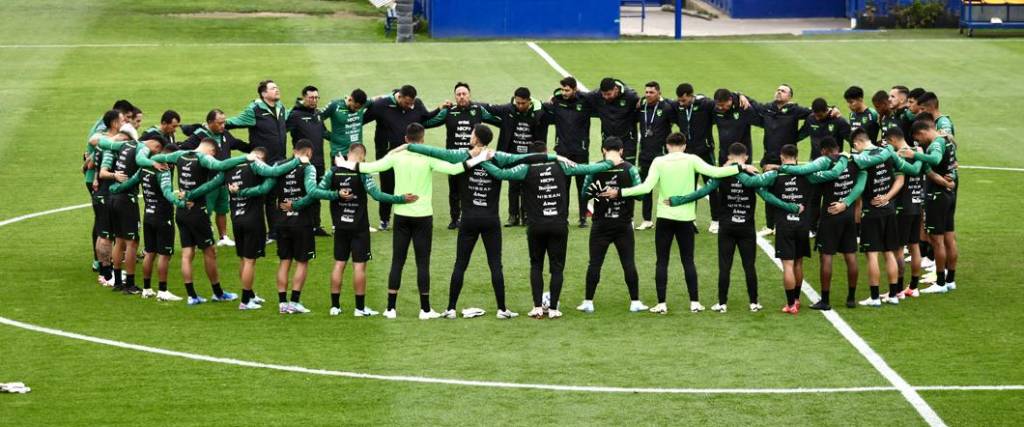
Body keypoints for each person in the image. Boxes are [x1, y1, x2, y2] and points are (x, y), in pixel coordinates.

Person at [406, 124, 559, 319]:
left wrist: (408, 146)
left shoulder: (463, 155)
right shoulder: (498, 156)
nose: (470, 136)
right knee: (495, 265)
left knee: (460, 264)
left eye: (472, 134)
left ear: (476, 138)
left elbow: (435, 152)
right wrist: (554, 157)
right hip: (491, 220)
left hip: (468, 219)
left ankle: (451, 308)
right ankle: (502, 309)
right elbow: (525, 158)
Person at [338, 123, 478, 320]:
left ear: (405, 139)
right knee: (422, 263)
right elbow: (455, 170)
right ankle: (425, 310)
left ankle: (390, 308)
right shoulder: (428, 157)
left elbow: (372, 166)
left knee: (398, 261)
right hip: (423, 217)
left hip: (401, 215)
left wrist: (346, 164)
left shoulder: (396, 157)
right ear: (422, 140)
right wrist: (478, 158)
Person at [603, 132, 746, 314]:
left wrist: (620, 192)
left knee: (662, 261)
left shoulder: (659, 161)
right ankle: (694, 303)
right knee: (688, 261)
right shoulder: (692, 159)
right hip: (686, 219)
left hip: (664, 218)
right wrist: (740, 168)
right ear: (684, 145)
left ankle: (661, 304)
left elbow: (646, 187)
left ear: (667, 145)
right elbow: (715, 172)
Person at [481, 142, 616, 319]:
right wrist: (609, 163)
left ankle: (537, 307)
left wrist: (481, 161)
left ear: (532, 155)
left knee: (536, 265)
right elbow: (587, 168)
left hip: (536, 226)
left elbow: (500, 174)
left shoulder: (525, 167)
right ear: (546, 153)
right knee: (557, 268)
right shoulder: (561, 164)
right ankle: (553, 309)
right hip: (558, 225)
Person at [666, 142, 802, 313]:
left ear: (729, 157)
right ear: (745, 157)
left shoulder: (722, 174)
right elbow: (767, 197)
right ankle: (754, 303)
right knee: (749, 265)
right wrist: (792, 207)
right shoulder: (752, 174)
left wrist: (678, 200)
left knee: (725, 266)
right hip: (746, 227)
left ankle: (722, 303)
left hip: (727, 227)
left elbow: (701, 192)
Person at [316, 143, 414, 317]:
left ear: (348, 154)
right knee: (359, 267)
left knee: (339, 264)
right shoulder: (362, 172)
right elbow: (377, 195)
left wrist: (336, 195)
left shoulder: (333, 171)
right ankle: (359, 309)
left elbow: (317, 191)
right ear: (361, 156)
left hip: (339, 225)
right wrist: (400, 199)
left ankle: (335, 307)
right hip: (359, 227)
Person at [151, 139, 253, 306]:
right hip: (198, 212)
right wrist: (245, 158)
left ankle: (192, 296)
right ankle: (218, 293)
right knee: (210, 252)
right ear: (211, 151)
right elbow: (221, 166)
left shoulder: (180, 155)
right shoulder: (203, 158)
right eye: (214, 154)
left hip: (182, 211)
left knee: (187, 254)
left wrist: (154, 163)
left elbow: (160, 158)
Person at [777, 137, 861, 310]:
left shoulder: (826, 164)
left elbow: (813, 193)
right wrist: (847, 204)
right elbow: (859, 187)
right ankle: (851, 298)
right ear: (838, 147)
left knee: (826, 257)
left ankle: (825, 300)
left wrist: (812, 222)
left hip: (830, 214)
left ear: (823, 152)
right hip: (849, 214)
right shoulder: (853, 163)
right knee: (851, 256)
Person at [578, 137, 648, 313]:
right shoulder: (630, 169)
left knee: (594, 264)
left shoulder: (595, 168)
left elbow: (584, 195)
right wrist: (621, 193)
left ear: (603, 150)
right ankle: (635, 302)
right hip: (623, 224)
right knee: (628, 264)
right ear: (622, 150)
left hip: (600, 224)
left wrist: (598, 192)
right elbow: (640, 194)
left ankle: (588, 301)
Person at [269, 139, 337, 314]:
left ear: (293, 151)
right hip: (302, 222)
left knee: (285, 261)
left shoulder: (280, 166)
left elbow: (268, 188)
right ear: (310, 153)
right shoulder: (308, 168)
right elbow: (312, 192)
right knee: (302, 262)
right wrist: (335, 194)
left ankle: (282, 303)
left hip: (282, 220)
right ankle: (295, 302)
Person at [365, 84, 445, 230]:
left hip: (410, 155)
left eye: (412, 103)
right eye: (407, 103)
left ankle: (411, 216)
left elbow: (426, 117)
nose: (409, 106)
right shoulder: (381, 105)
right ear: (399, 96)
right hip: (387, 154)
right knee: (387, 187)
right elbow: (362, 118)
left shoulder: (417, 105)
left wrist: (439, 109)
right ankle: (384, 220)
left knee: (410, 185)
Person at [426, 82, 500, 229]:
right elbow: (428, 122)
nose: (461, 97)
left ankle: (470, 217)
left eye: (464, 94)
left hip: (474, 157)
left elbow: (498, 121)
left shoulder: (478, 110)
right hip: (454, 158)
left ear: (469, 94)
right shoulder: (448, 111)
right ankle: (454, 219)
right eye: (458, 94)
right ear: (455, 96)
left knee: (473, 187)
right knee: (454, 190)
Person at [900, 119, 959, 294]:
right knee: (949, 238)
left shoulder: (936, 144)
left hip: (937, 196)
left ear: (923, 132)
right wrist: (950, 179)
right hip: (948, 194)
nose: (920, 142)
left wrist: (915, 155)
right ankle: (950, 280)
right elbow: (953, 165)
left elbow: (935, 158)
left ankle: (940, 283)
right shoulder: (947, 140)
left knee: (937, 241)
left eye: (919, 138)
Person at [182, 109, 253, 247]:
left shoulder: (224, 134)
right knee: (205, 211)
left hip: (224, 180)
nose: (223, 126)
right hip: (207, 181)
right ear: (209, 122)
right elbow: (185, 150)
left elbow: (238, 144)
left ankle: (223, 237)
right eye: (219, 123)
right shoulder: (199, 136)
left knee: (222, 209)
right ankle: (198, 239)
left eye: (224, 123)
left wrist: (254, 149)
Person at [488, 87, 548, 227]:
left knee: (528, 186)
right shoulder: (509, 110)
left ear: (529, 101)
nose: (520, 105)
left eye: (523, 103)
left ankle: (527, 215)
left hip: (529, 156)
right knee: (513, 186)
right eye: (517, 102)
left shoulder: (538, 113)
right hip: (512, 156)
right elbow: (489, 108)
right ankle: (512, 216)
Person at [668, 83, 718, 232]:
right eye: (679, 101)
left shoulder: (705, 104)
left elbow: (721, 103)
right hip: (687, 153)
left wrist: (739, 95)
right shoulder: (678, 106)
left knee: (712, 186)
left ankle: (716, 220)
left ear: (691, 95)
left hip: (705, 152)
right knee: (689, 187)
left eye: (684, 100)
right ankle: (690, 220)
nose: (681, 103)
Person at [545, 76, 593, 228]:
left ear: (575, 89)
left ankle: (583, 218)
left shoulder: (584, 102)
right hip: (562, 151)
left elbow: (595, 97)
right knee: (562, 186)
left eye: (567, 90)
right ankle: (562, 218)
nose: (564, 93)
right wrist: (549, 102)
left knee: (582, 186)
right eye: (563, 90)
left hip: (580, 151)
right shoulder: (557, 102)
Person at [286, 85, 331, 237]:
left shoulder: (318, 114)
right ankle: (301, 224)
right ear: (304, 97)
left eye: (316, 98)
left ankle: (315, 225)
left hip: (319, 161)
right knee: (302, 192)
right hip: (302, 162)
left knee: (316, 193)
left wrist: (342, 139)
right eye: (311, 98)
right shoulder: (295, 115)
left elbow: (324, 132)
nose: (314, 101)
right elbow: (281, 131)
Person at [634, 81, 674, 231]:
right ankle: (647, 219)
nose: (648, 95)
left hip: (662, 155)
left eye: (651, 92)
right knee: (646, 188)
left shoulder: (667, 107)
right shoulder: (641, 107)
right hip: (645, 154)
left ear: (659, 93)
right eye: (647, 92)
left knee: (667, 187)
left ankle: (668, 218)